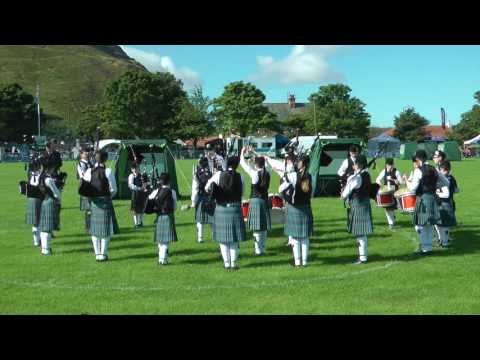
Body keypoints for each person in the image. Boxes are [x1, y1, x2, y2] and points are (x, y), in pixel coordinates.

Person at [403, 150, 449, 255]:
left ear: (419, 159)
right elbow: (446, 182)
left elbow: (412, 188)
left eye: (415, 160)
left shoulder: (418, 171)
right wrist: (434, 187)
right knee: (429, 224)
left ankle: (425, 248)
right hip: (432, 198)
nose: (414, 162)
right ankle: (428, 248)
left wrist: (406, 181)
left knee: (422, 225)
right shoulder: (434, 169)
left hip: (423, 198)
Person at [205, 156, 246, 270]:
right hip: (235, 208)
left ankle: (226, 263)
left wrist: (215, 193)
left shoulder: (218, 175)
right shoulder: (240, 176)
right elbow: (242, 192)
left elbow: (207, 187)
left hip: (221, 208)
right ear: (237, 165)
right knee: (234, 240)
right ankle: (233, 264)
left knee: (223, 240)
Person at [277, 155, 314, 267]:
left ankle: (298, 262)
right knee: (305, 237)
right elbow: (310, 193)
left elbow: (280, 189)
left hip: (294, 208)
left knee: (295, 237)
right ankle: (305, 262)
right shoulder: (310, 176)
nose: (297, 163)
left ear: (301, 164)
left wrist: (286, 196)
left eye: (298, 162)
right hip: (306, 207)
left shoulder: (293, 176)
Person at [82, 150, 119, 262]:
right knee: (106, 229)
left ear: (95, 158)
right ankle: (103, 254)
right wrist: (107, 197)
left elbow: (84, 188)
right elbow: (114, 190)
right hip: (105, 201)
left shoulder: (89, 171)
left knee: (95, 229)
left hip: (93, 202)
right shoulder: (108, 171)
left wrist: (91, 198)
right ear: (105, 159)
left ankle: (97, 254)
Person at [341, 155, 373, 264]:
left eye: (354, 163)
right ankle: (363, 256)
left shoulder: (357, 177)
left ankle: (363, 257)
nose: (353, 165)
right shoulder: (366, 175)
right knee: (361, 233)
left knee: (360, 233)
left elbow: (346, 192)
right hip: (364, 204)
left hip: (358, 204)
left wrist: (343, 195)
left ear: (358, 165)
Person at [240, 146, 271, 256]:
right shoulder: (268, 171)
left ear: (256, 164)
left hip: (255, 200)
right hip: (265, 200)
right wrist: (254, 152)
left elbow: (242, 164)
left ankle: (257, 251)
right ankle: (262, 248)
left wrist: (242, 152)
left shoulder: (254, 174)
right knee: (263, 227)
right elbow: (265, 160)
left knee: (256, 228)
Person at [265, 153, 297, 247]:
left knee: (290, 219)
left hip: (290, 197)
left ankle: (292, 240)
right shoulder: (289, 168)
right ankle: (291, 239)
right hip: (289, 197)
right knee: (289, 219)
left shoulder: (290, 169)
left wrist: (276, 168)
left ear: (290, 160)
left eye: (286, 159)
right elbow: (280, 169)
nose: (285, 160)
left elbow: (283, 172)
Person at [148, 173, 178, 265]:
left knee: (160, 241)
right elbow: (175, 206)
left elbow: (149, 199)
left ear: (161, 181)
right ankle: (163, 260)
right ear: (169, 181)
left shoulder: (157, 190)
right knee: (165, 241)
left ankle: (161, 259)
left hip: (159, 216)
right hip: (168, 216)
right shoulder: (172, 191)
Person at [37, 160, 62, 255]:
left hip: (44, 201)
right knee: (47, 228)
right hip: (51, 201)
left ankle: (44, 248)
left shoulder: (40, 177)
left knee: (44, 227)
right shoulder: (49, 179)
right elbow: (57, 194)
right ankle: (46, 250)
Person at [375, 158, 404, 229]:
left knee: (392, 208)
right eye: (388, 165)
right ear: (386, 165)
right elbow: (378, 179)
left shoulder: (396, 172)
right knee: (387, 208)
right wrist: (380, 185)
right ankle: (391, 223)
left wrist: (397, 181)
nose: (390, 167)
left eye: (391, 165)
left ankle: (392, 218)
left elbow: (401, 182)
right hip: (386, 192)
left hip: (394, 192)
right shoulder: (383, 171)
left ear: (393, 165)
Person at [435, 160, 459, 248]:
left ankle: (444, 242)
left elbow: (446, 194)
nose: (439, 172)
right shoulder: (452, 178)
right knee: (441, 224)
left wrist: (437, 193)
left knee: (444, 225)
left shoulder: (444, 179)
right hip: (448, 203)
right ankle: (442, 241)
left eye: (440, 170)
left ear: (445, 170)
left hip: (444, 204)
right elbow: (457, 190)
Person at [191, 157, 214, 243]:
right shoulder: (211, 173)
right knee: (211, 218)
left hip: (200, 198)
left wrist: (193, 202)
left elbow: (195, 189)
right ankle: (213, 236)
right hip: (210, 198)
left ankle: (200, 238)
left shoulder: (196, 174)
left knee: (200, 219)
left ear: (199, 164)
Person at [25, 157, 42, 247]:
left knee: (35, 222)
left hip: (30, 199)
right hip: (38, 198)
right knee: (38, 221)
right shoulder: (40, 174)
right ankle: (37, 241)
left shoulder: (29, 174)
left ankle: (36, 241)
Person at [128, 161, 147, 229]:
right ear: (131, 169)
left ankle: (140, 222)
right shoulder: (131, 176)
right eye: (134, 168)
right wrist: (139, 188)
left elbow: (145, 183)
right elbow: (130, 185)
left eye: (136, 168)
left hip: (141, 194)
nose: (135, 169)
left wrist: (144, 186)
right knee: (135, 210)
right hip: (135, 194)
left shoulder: (141, 175)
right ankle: (136, 223)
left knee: (141, 208)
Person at [77, 148, 92, 232]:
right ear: (81, 154)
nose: (87, 153)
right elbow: (83, 175)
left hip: (92, 185)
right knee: (88, 208)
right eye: (85, 152)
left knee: (91, 207)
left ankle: (91, 225)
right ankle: (88, 227)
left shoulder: (89, 162)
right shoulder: (81, 164)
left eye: (87, 151)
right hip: (85, 186)